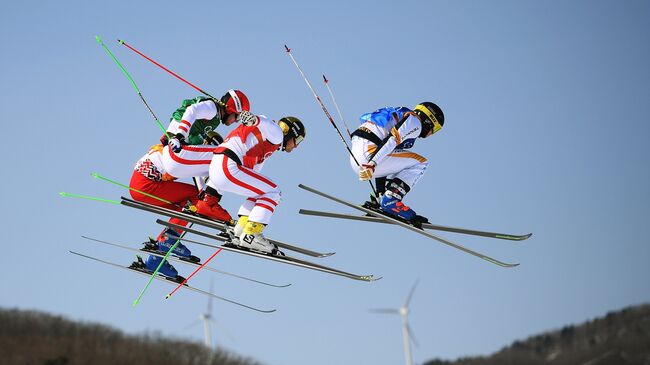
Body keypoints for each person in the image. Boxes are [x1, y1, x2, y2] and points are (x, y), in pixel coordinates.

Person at [199, 115, 306, 256]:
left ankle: (241, 229)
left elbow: (254, 175)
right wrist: (254, 119)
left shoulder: (266, 145)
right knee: (274, 192)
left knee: (261, 192)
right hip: (228, 165)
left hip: (219, 166)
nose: (296, 146)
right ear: (290, 132)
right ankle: (251, 234)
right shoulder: (277, 133)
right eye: (298, 140)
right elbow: (265, 122)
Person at [161, 89, 251, 222]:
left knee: (215, 163)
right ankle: (208, 204)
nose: (236, 121)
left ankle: (206, 201)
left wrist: (202, 192)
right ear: (230, 109)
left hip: (177, 156)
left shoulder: (211, 120)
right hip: (178, 150)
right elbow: (192, 110)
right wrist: (180, 135)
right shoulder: (212, 108)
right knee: (227, 156)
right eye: (237, 116)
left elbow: (197, 171)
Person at [349, 101, 444, 223]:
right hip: (369, 157)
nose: (431, 134)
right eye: (434, 130)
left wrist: (380, 192)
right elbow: (392, 140)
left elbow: (385, 151)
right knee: (420, 163)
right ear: (429, 121)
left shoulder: (400, 114)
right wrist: (372, 163)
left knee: (392, 154)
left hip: (357, 158)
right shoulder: (415, 121)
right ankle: (391, 199)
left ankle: (382, 197)